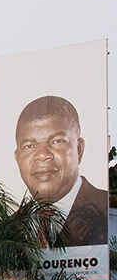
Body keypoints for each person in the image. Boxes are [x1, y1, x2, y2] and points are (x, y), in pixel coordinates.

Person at [14, 95, 108, 246]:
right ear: (17, 157)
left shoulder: (106, 211)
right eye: (29, 146)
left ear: (79, 149)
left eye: (57, 141)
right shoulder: (7, 231)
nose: (43, 155)